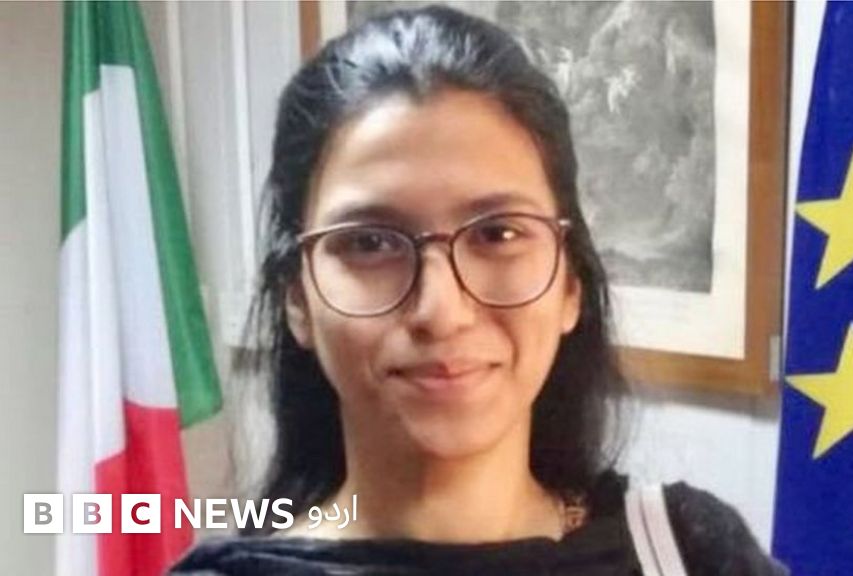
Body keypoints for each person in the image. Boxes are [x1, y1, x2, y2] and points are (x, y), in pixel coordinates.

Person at [171, 5, 786, 575]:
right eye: (370, 243)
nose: (442, 311)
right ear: (297, 299)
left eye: (498, 233)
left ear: (570, 284)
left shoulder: (686, 553)